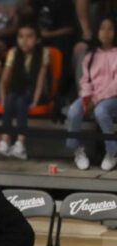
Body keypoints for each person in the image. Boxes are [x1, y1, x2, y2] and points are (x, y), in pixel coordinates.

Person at [66, 16, 117, 171]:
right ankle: (77, 150)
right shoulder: (90, 55)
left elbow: (115, 85)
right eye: (102, 28)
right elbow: (85, 80)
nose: (106, 32)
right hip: (92, 97)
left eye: (110, 29)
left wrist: (95, 100)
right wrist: (87, 99)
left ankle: (112, 152)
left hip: (112, 97)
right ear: (97, 32)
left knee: (101, 111)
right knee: (73, 110)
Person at [0, 21, 50, 160]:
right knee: (10, 99)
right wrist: (2, 100)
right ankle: (5, 141)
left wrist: (35, 101)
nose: (24, 40)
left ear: (38, 39)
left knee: (21, 101)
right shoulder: (13, 52)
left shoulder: (43, 52)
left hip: (35, 93)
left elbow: (40, 81)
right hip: (17, 90)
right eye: (21, 36)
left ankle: (20, 144)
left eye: (29, 36)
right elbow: (3, 81)